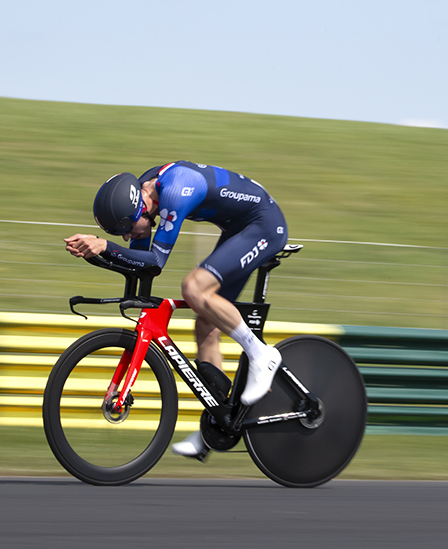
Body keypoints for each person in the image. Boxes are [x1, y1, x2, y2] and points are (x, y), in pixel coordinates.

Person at [64, 161, 288, 460]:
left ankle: (262, 355)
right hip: (238, 228)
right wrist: (98, 254)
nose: (128, 236)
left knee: (194, 288)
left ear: (139, 210)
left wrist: (106, 246)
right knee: (205, 325)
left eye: (127, 230)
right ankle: (219, 423)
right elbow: (140, 263)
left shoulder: (176, 192)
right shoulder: (145, 194)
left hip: (264, 225)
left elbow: (154, 262)